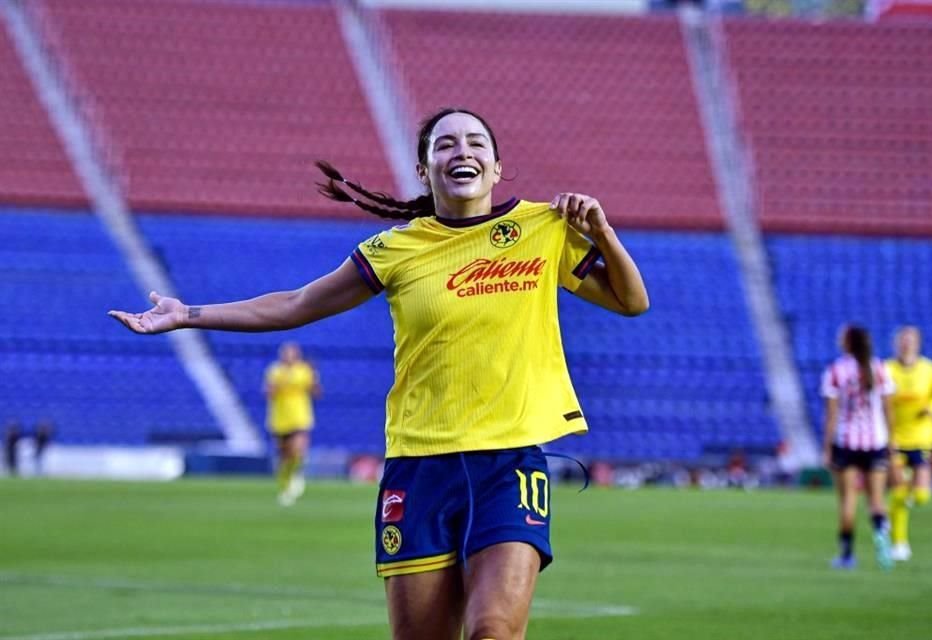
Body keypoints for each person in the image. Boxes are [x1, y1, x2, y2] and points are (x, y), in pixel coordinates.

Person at [109, 107, 649, 640]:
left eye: (476, 142)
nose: (462, 151)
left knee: (494, 631)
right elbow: (297, 303)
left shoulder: (542, 228)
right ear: (424, 170)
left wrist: (602, 233)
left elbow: (632, 301)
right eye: (445, 144)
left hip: (510, 465)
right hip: (419, 466)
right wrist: (189, 315)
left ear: (498, 166)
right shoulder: (395, 249)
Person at [821, 325, 895, 571]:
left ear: (848, 343)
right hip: (876, 442)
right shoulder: (879, 368)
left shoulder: (836, 371)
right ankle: (882, 537)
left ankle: (847, 555)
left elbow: (831, 415)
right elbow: (888, 409)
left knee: (847, 500)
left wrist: (827, 447)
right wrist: (892, 442)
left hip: (846, 443)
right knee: (876, 499)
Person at [884, 326, 932, 561]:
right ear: (897, 343)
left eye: (911, 340)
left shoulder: (930, 369)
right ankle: (899, 544)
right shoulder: (887, 369)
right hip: (896, 437)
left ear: (918, 343)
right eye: (903, 340)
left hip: (922, 437)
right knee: (899, 489)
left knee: (920, 495)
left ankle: (889, 513)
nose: (907, 344)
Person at [264, 342, 321, 506]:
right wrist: (278, 385)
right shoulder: (275, 371)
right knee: (284, 456)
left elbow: (316, 392)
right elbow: (269, 394)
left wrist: (315, 379)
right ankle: (285, 485)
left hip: (300, 417)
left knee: (298, 449)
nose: (288, 356)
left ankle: (296, 476)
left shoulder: (304, 370)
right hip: (280, 418)